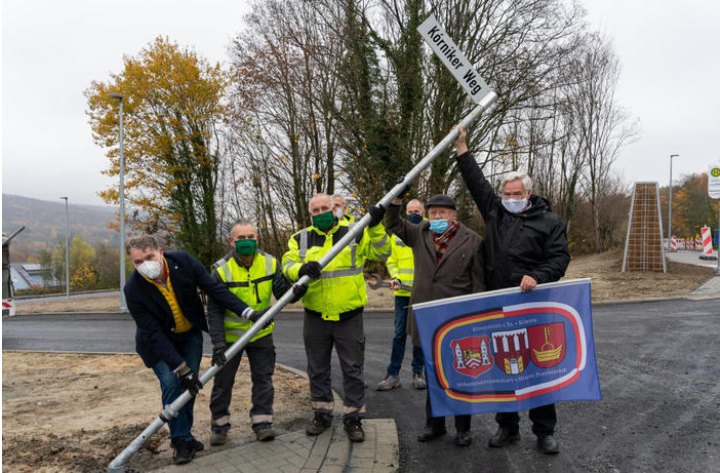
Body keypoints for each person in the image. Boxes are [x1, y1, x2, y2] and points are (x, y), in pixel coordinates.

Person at [453, 126, 571, 454]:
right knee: (504, 368)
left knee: (537, 368)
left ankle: (544, 431)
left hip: (534, 307)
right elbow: (476, 181)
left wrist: (538, 275)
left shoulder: (551, 222)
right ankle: (507, 427)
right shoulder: (495, 212)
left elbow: (560, 259)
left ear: (528, 195)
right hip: (498, 307)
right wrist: (462, 147)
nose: (511, 199)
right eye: (507, 194)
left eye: (517, 194)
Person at [123, 234, 251, 465]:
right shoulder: (133, 290)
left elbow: (214, 289)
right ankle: (180, 441)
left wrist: (246, 311)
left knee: (189, 386)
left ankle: (186, 436)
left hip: (189, 335)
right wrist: (180, 367)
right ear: (132, 263)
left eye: (149, 257)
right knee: (173, 383)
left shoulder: (182, 261)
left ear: (160, 252)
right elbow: (152, 333)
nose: (145, 265)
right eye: (138, 262)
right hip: (158, 345)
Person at [282, 193, 391, 442]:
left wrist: (375, 226)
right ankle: (322, 415)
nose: (320, 213)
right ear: (310, 214)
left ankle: (353, 419)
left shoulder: (356, 231)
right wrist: (300, 269)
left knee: (352, 370)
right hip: (316, 316)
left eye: (325, 208)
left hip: (348, 316)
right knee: (317, 369)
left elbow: (382, 250)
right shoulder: (300, 238)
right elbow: (286, 264)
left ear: (335, 209)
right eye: (315, 210)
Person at [385, 193, 485, 447]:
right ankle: (435, 424)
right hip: (427, 317)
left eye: (442, 213)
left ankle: (463, 428)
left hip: (458, 320)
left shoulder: (472, 240)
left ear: (453, 215)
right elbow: (393, 224)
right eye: (433, 213)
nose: (437, 217)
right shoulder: (419, 233)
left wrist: (474, 317)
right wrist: (396, 202)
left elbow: (478, 283)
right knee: (433, 374)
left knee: (461, 374)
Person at [207, 219, 307, 446]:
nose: (246, 242)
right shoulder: (220, 270)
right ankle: (219, 426)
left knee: (263, 379)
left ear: (257, 238)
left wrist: (298, 290)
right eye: (241, 238)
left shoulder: (271, 263)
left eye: (250, 237)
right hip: (231, 338)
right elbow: (214, 311)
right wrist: (218, 345)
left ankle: (262, 424)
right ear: (231, 241)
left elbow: (283, 294)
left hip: (261, 335)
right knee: (223, 383)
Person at [376, 199, 427, 391]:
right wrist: (395, 277)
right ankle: (393, 374)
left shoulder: (429, 231)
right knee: (399, 335)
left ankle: (418, 373)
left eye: (417, 211)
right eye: (410, 211)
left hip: (423, 294)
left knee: (419, 335)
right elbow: (391, 260)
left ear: (424, 212)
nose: (413, 213)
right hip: (403, 293)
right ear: (405, 212)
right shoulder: (397, 235)